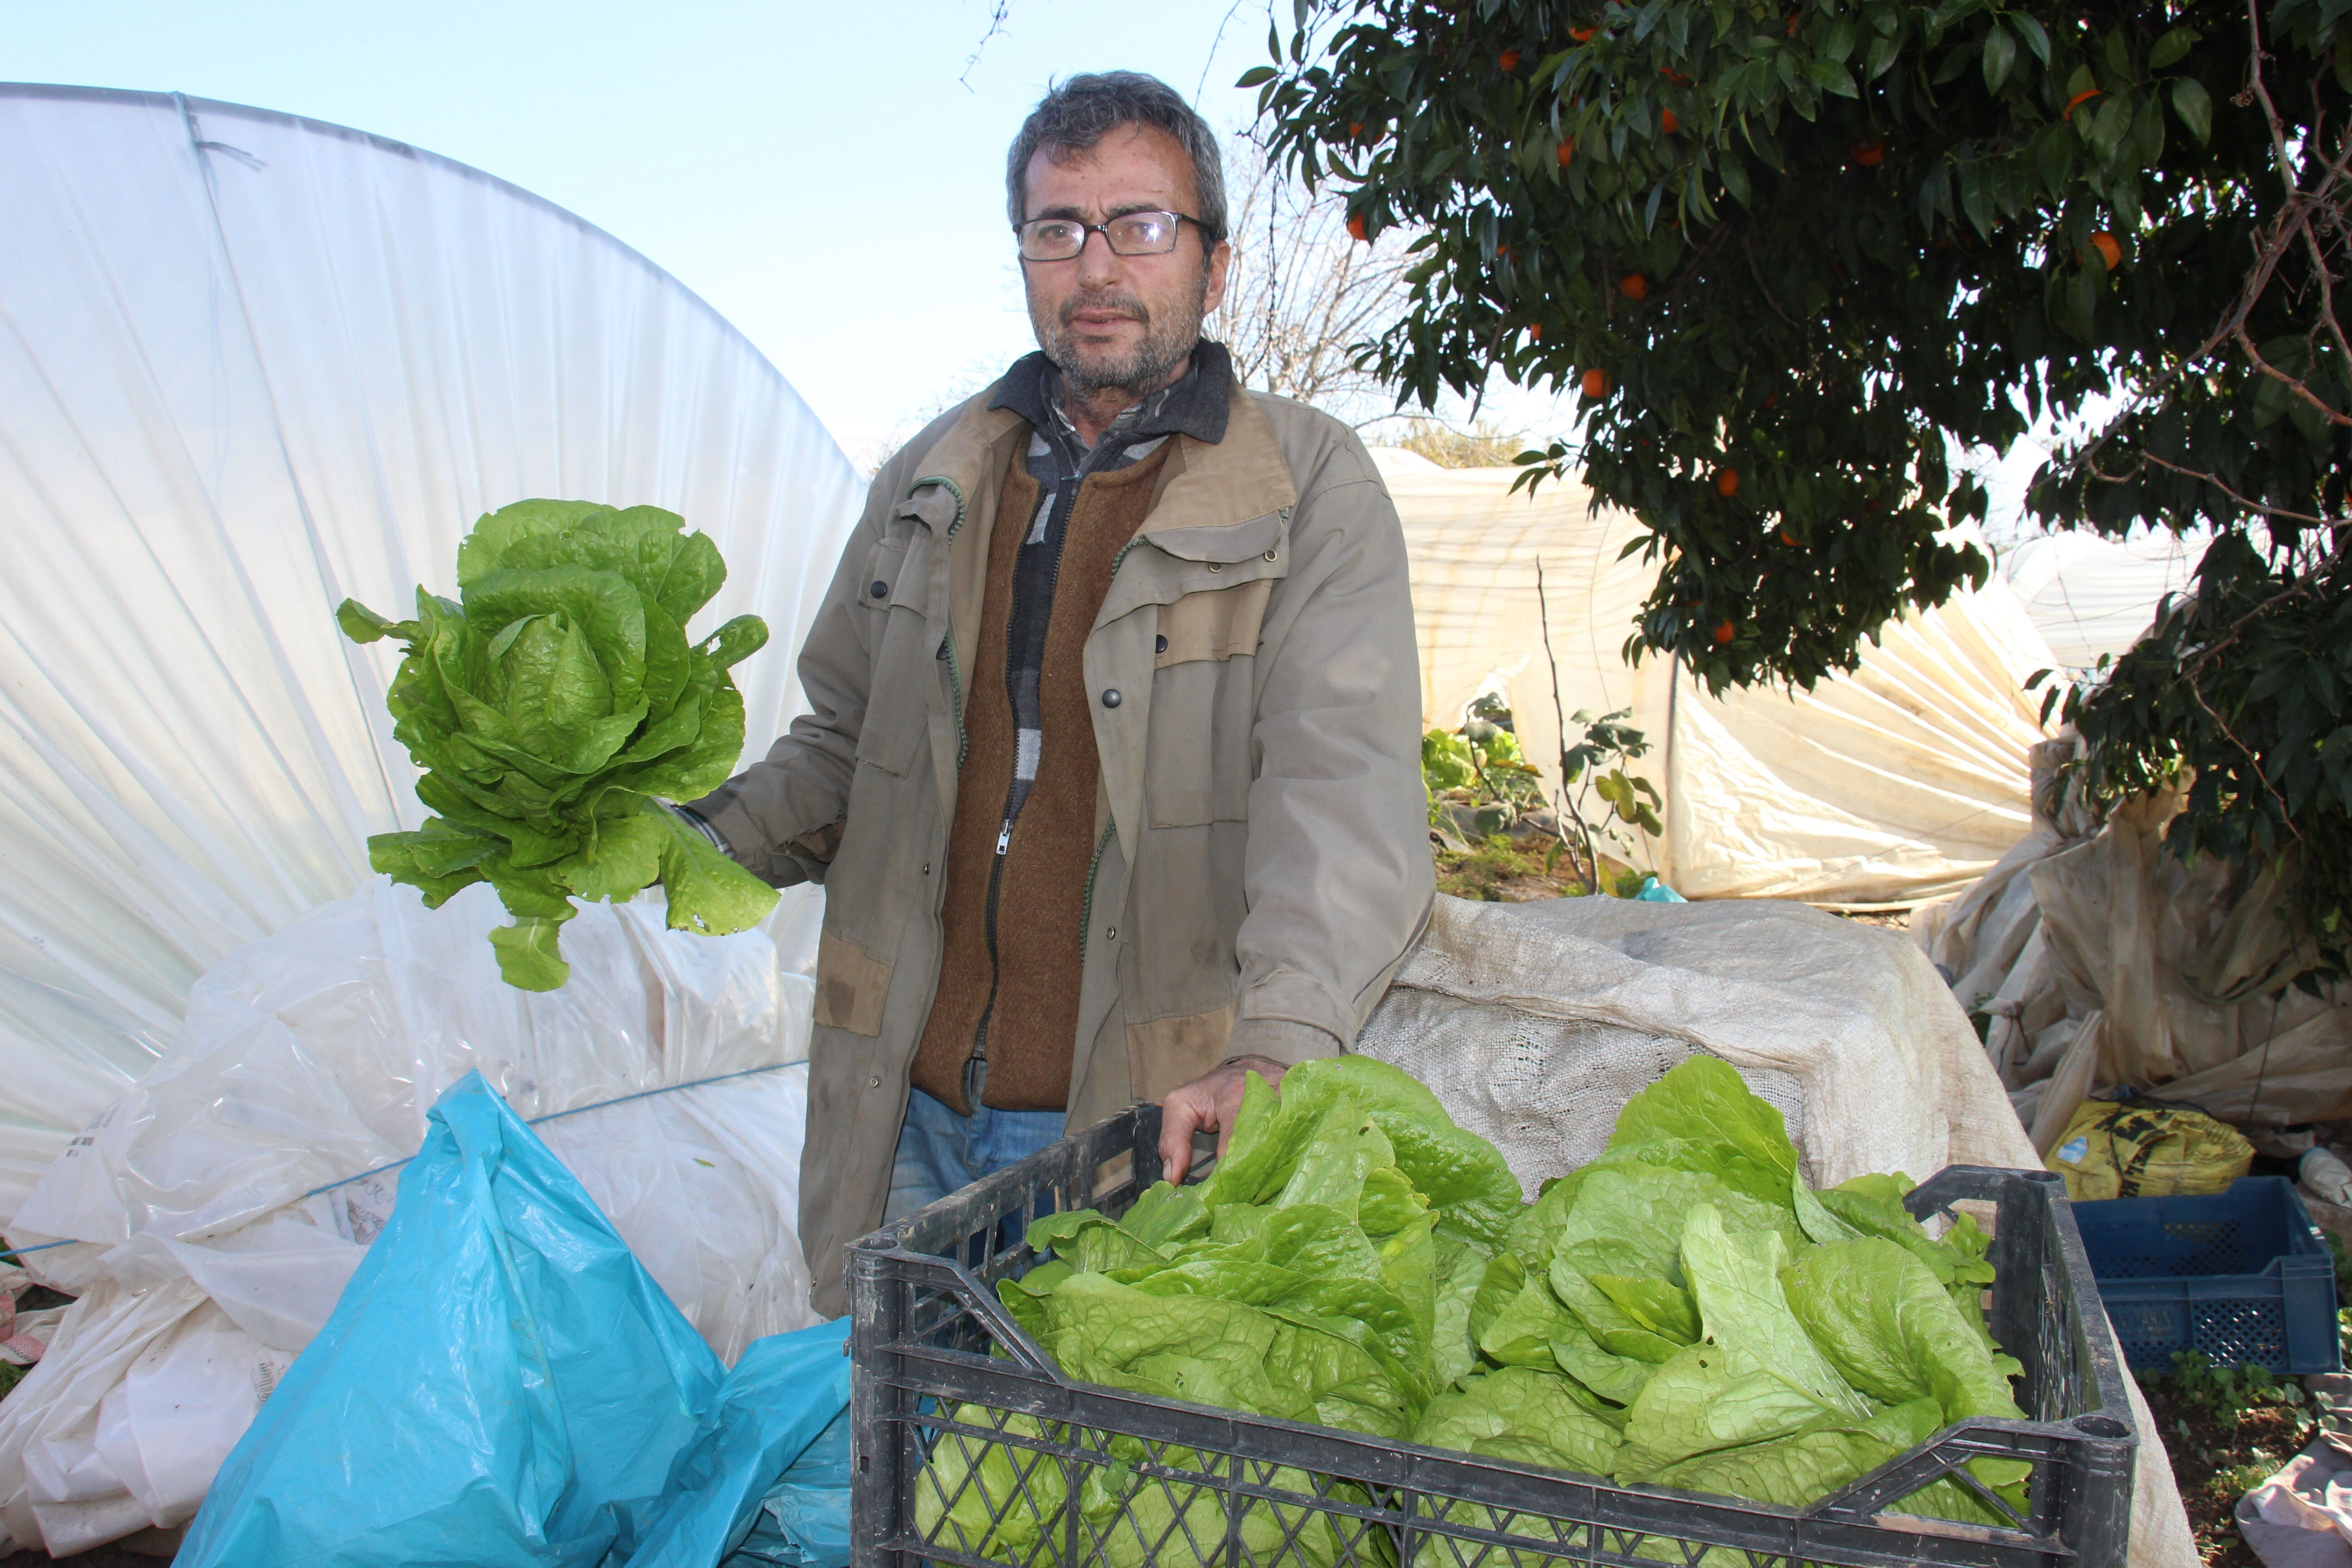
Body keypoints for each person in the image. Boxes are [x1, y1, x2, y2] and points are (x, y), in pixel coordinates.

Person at [681, 71, 1431, 1314]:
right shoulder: (932, 476)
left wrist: (1279, 1049)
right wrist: (687, 845)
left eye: (1140, 226)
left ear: (1215, 261)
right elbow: (842, 751)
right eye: (1056, 229)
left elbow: (1342, 795)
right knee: (902, 1463)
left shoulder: (1306, 486)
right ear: (1023, 252)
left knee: (1082, 1490)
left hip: (1136, 1128)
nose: (1096, 268)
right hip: (902, 1105)